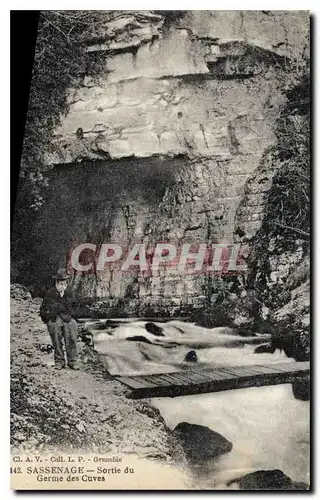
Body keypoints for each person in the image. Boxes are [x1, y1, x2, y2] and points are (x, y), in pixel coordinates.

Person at [40, 268, 80, 370]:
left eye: (64, 283)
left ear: (66, 283)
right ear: (56, 282)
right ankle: (59, 361)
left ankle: (72, 360)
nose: (62, 285)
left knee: (71, 331)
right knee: (55, 332)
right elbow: (43, 310)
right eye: (60, 282)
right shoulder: (50, 293)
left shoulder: (70, 292)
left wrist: (72, 316)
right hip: (55, 317)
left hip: (67, 317)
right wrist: (49, 319)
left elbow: (76, 308)